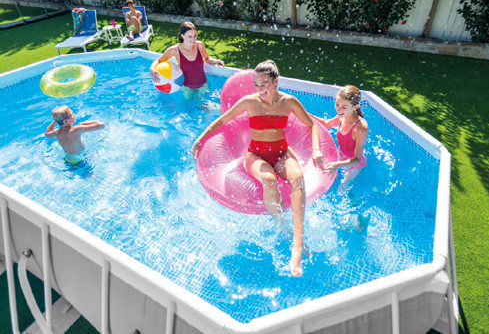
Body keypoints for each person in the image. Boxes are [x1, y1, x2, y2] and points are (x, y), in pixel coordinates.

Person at [191, 60, 324, 277]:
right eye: (257, 84)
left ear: (276, 82)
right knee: (269, 179)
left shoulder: (289, 102)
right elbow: (222, 120)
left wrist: (316, 150)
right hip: (256, 156)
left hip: (281, 153)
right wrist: (200, 139)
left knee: (298, 177)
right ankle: (284, 230)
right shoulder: (249, 102)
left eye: (265, 84)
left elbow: (311, 125)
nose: (260, 89)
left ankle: (297, 246)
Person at [310, 85, 368, 189]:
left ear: (355, 107)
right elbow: (326, 124)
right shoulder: (343, 116)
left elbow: (357, 159)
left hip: (353, 166)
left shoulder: (361, 128)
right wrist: (303, 113)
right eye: (337, 104)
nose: (338, 109)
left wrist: (336, 165)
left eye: (344, 107)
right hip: (340, 156)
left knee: (341, 189)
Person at [150, 21, 224, 100]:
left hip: (203, 85)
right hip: (187, 87)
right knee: (188, 109)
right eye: (190, 36)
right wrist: (152, 69)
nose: (193, 38)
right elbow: (159, 60)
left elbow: (206, 59)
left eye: (195, 35)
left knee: (204, 107)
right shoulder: (175, 50)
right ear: (182, 36)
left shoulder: (200, 45)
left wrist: (215, 61)